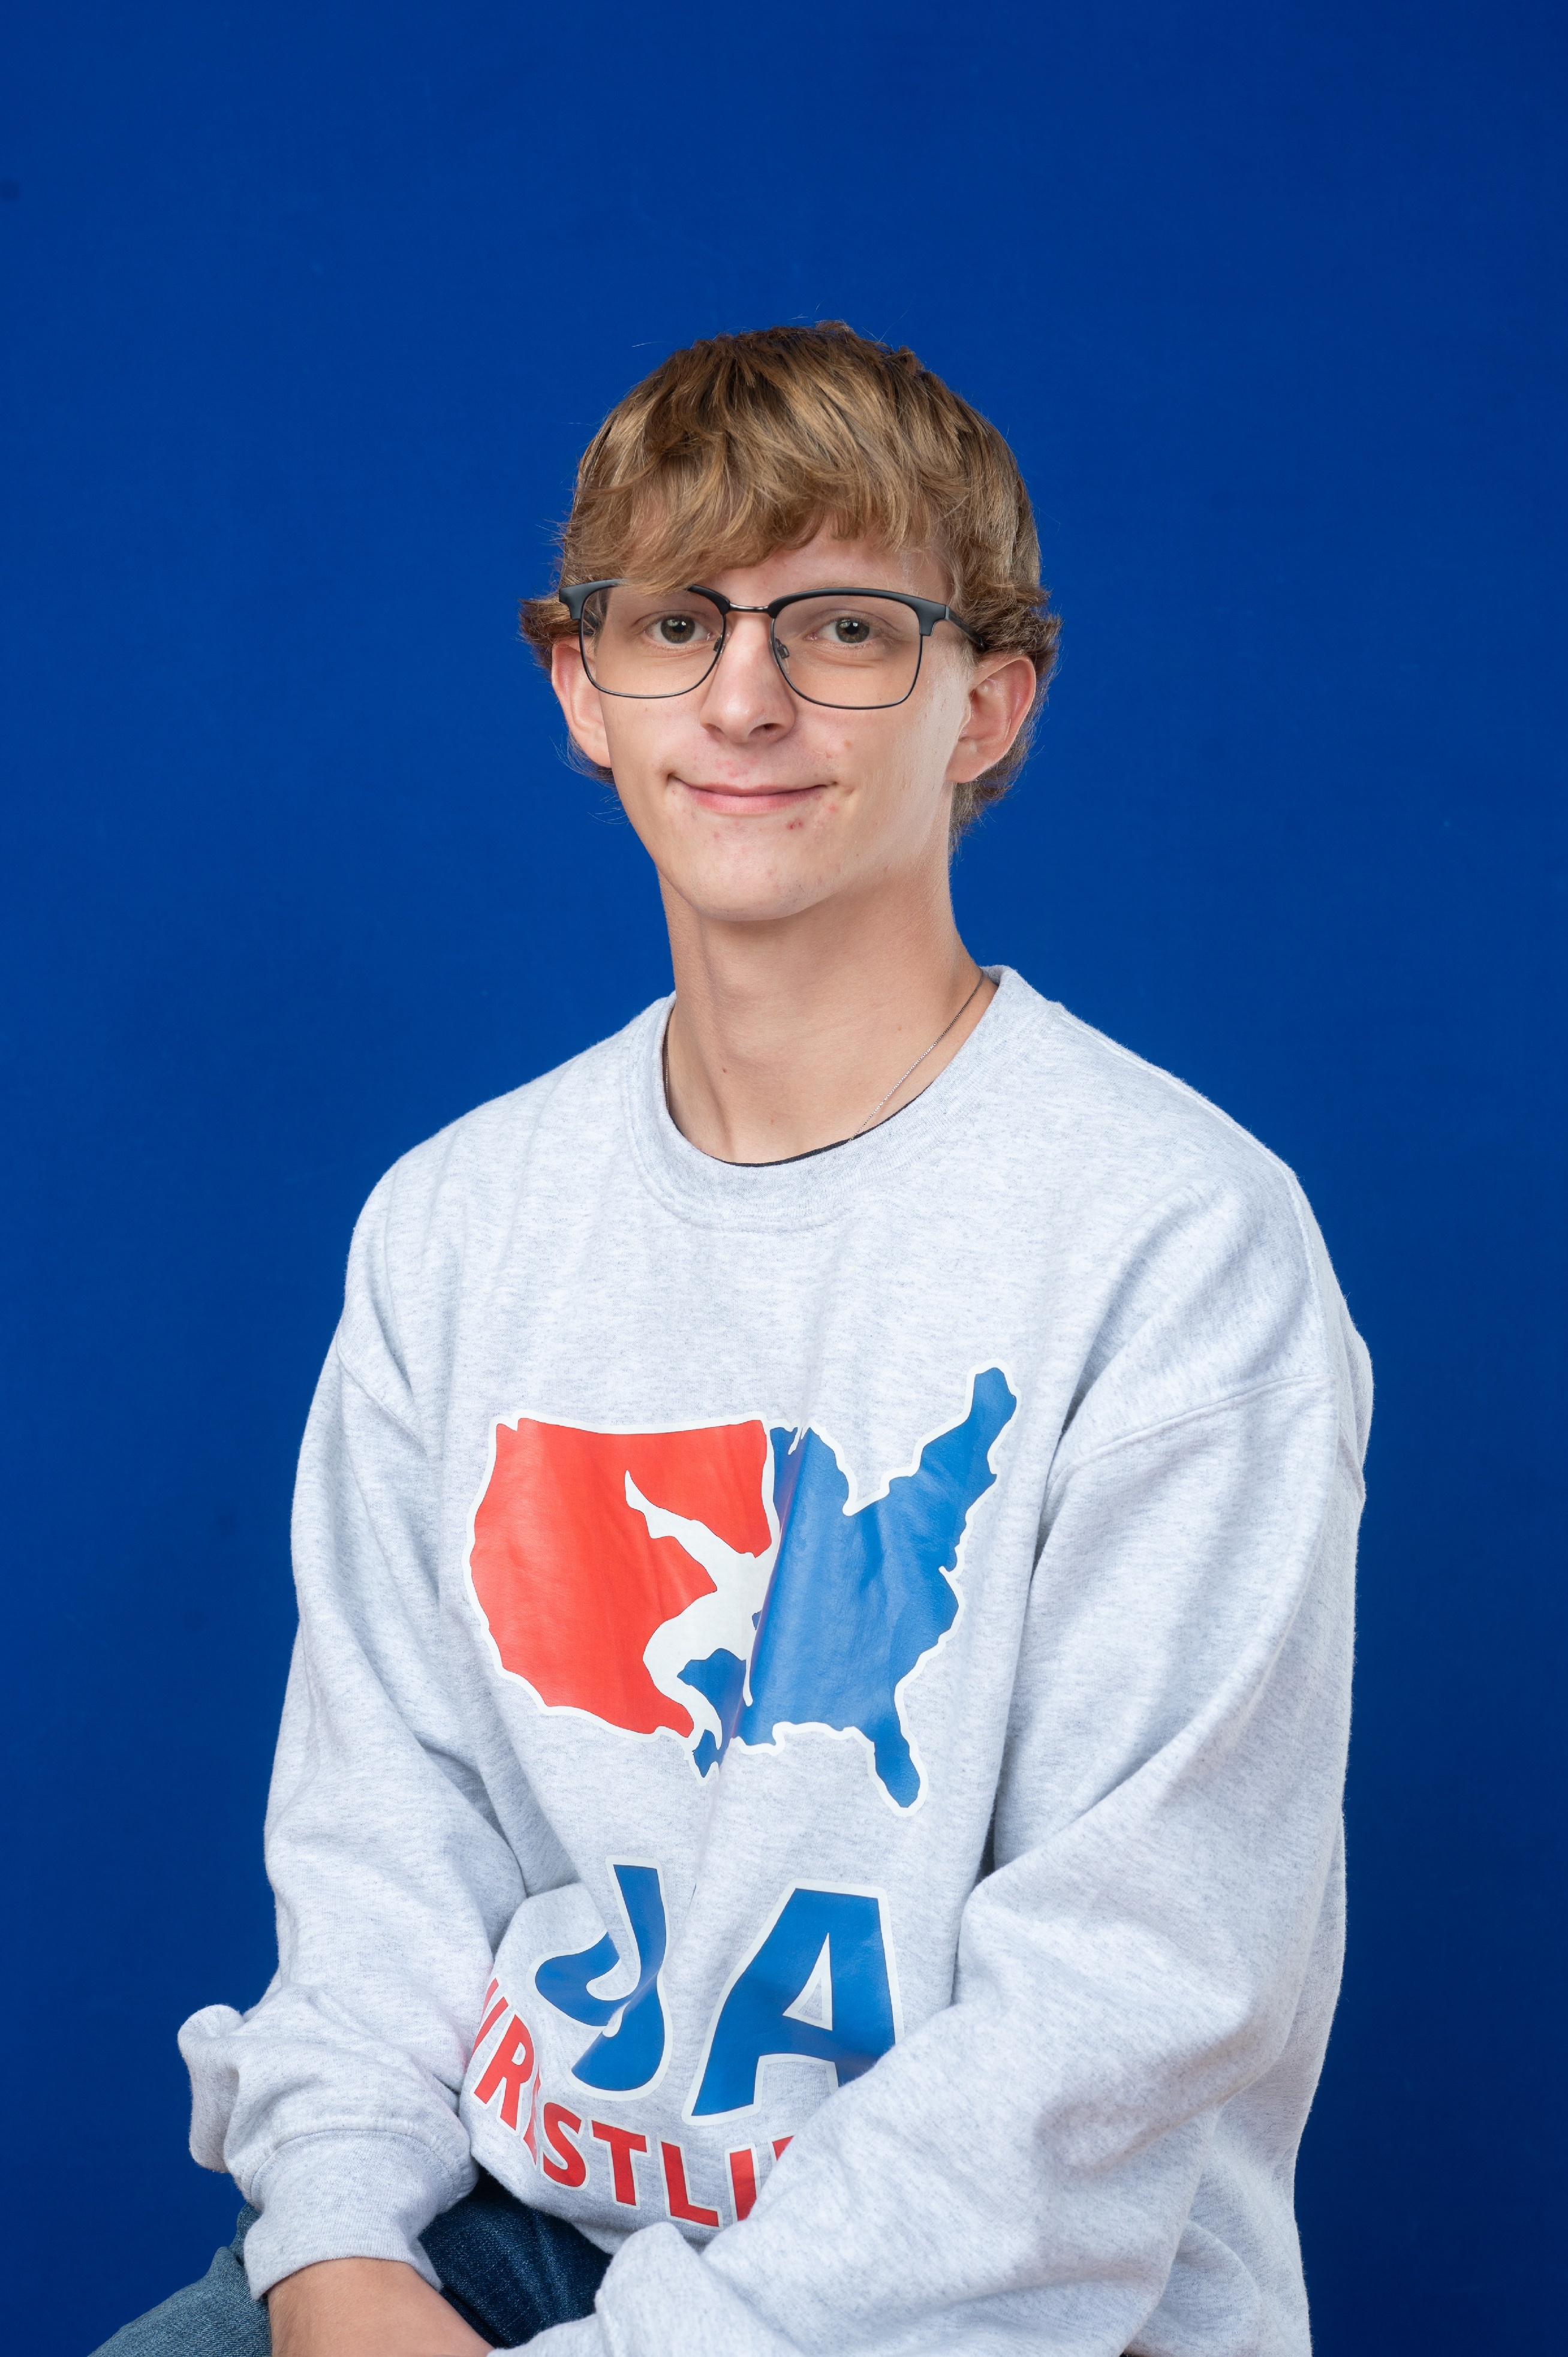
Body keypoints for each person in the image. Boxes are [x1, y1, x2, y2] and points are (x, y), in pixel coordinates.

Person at [98, 321, 1370, 2357]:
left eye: (846, 627)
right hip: (514, 2241)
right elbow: (382, 1857)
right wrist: (336, 2250)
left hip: (1000, 2308)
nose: (747, 697)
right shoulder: (455, 1225)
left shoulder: (1178, 1244)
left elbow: (1116, 2019)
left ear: (989, 702)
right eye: (676, 622)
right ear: (582, 688)